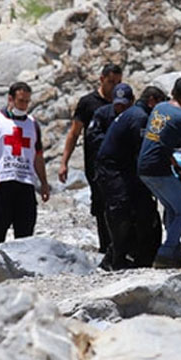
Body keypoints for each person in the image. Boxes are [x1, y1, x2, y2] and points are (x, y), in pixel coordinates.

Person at [96, 84, 166, 269]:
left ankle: (124, 256)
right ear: (152, 101)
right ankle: (116, 260)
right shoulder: (139, 117)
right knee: (121, 212)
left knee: (139, 209)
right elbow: (143, 151)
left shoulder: (135, 114)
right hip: (114, 171)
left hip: (122, 170)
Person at [0, 81, 51, 251]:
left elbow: (38, 155)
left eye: (27, 101)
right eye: (21, 101)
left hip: (25, 181)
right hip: (1, 180)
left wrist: (44, 183)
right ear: (10, 99)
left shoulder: (32, 124)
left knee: (26, 224)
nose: (24, 105)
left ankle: (23, 264)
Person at [57, 63, 123, 254]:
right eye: (111, 82)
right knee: (101, 205)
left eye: (118, 82)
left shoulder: (121, 102)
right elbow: (74, 133)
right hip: (95, 164)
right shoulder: (88, 103)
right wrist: (64, 163)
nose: (115, 86)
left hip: (119, 163)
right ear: (101, 79)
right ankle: (106, 246)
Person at [137, 77, 181, 267]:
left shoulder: (159, 108)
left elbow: (159, 139)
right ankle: (165, 253)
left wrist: (174, 164)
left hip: (143, 166)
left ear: (172, 91)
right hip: (158, 169)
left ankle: (175, 253)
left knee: (172, 208)